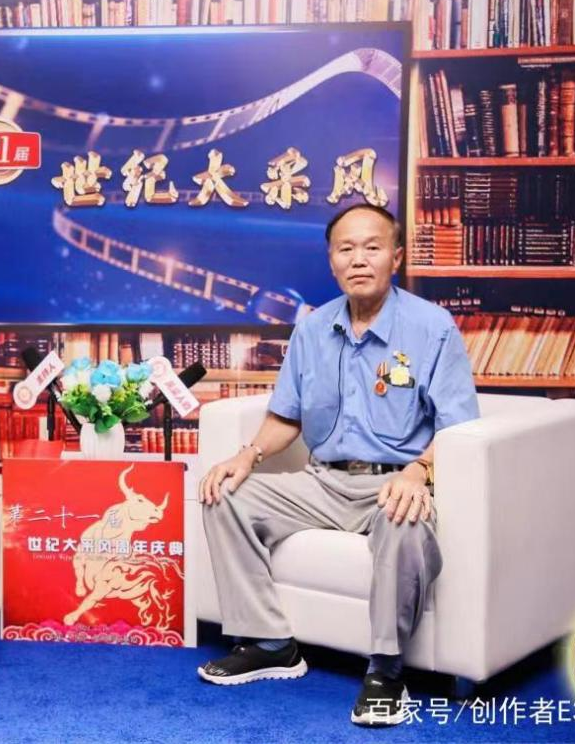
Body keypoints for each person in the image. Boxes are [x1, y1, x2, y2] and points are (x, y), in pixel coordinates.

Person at [196, 203, 478, 726]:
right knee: (223, 493)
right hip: (322, 482)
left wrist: (419, 472)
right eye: (346, 249)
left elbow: (458, 427)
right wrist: (247, 454)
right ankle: (270, 644)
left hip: (393, 483)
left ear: (396, 257)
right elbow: (286, 418)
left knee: (406, 521)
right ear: (331, 261)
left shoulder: (431, 327)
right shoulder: (311, 330)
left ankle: (386, 672)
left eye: (372, 247)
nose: (359, 259)